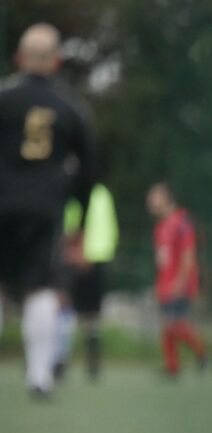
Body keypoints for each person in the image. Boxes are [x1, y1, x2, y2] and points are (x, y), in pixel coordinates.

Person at [0, 23, 96, 399]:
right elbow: (88, 171)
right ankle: (39, 377)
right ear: (56, 61)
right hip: (45, 209)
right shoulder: (71, 108)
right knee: (40, 288)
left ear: (19, 58)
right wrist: (80, 225)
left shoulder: (3, 98)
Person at [55, 180, 118, 380]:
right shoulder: (103, 192)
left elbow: (74, 224)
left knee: (67, 306)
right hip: (99, 256)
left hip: (80, 256)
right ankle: (89, 359)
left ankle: (61, 360)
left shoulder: (76, 190)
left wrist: (78, 251)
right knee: (90, 312)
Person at [146, 182, 207, 378]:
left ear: (167, 198)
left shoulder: (182, 222)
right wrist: (159, 283)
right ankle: (172, 366)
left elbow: (189, 254)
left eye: (155, 196)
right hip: (165, 283)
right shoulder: (160, 227)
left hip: (181, 283)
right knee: (167, 325)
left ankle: (202, 353)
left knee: (174, 323)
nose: (150, 201)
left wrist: (180, 280)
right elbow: (162, 261)